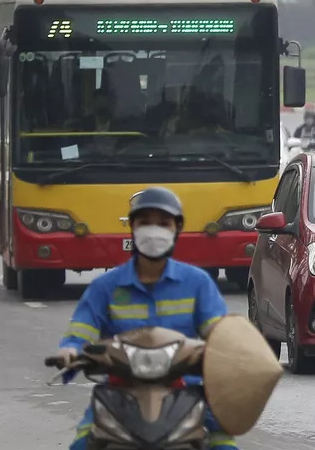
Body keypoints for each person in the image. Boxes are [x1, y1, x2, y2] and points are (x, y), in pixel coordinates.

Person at [54, 187, 237, 450]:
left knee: (224, 441)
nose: (154, 230)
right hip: (120, 391)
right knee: (83, 442)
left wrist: (231, 353)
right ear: (132, 228)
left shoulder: (197, 283)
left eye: (163, 223)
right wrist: (70, 351)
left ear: (177, 228)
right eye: (144, 223)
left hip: (186, 388)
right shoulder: (105, 286)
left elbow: (220, 332)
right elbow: (80, 330)